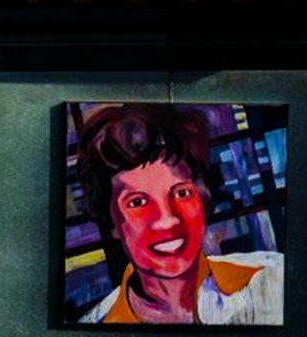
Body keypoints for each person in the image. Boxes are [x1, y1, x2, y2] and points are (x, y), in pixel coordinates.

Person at [75, 103, 282, 325]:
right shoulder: (93, 328)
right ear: (111, 223)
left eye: (181, 193)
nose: (167, 220)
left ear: (202, 197)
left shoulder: (274, 279)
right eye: (138, 202)